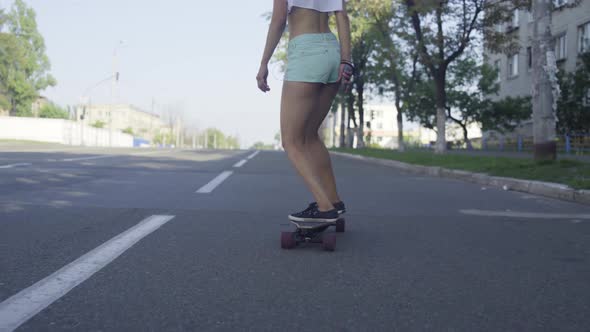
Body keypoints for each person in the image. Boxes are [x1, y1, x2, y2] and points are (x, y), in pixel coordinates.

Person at [256, 0, 353, 223]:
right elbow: (342, 17)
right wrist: (346, 61)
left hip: (306, 52)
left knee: (291, 141)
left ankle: (324, 206)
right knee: (309, 136)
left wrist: (264, 62)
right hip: (332, 50)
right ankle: (334, 201)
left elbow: (279, 19)